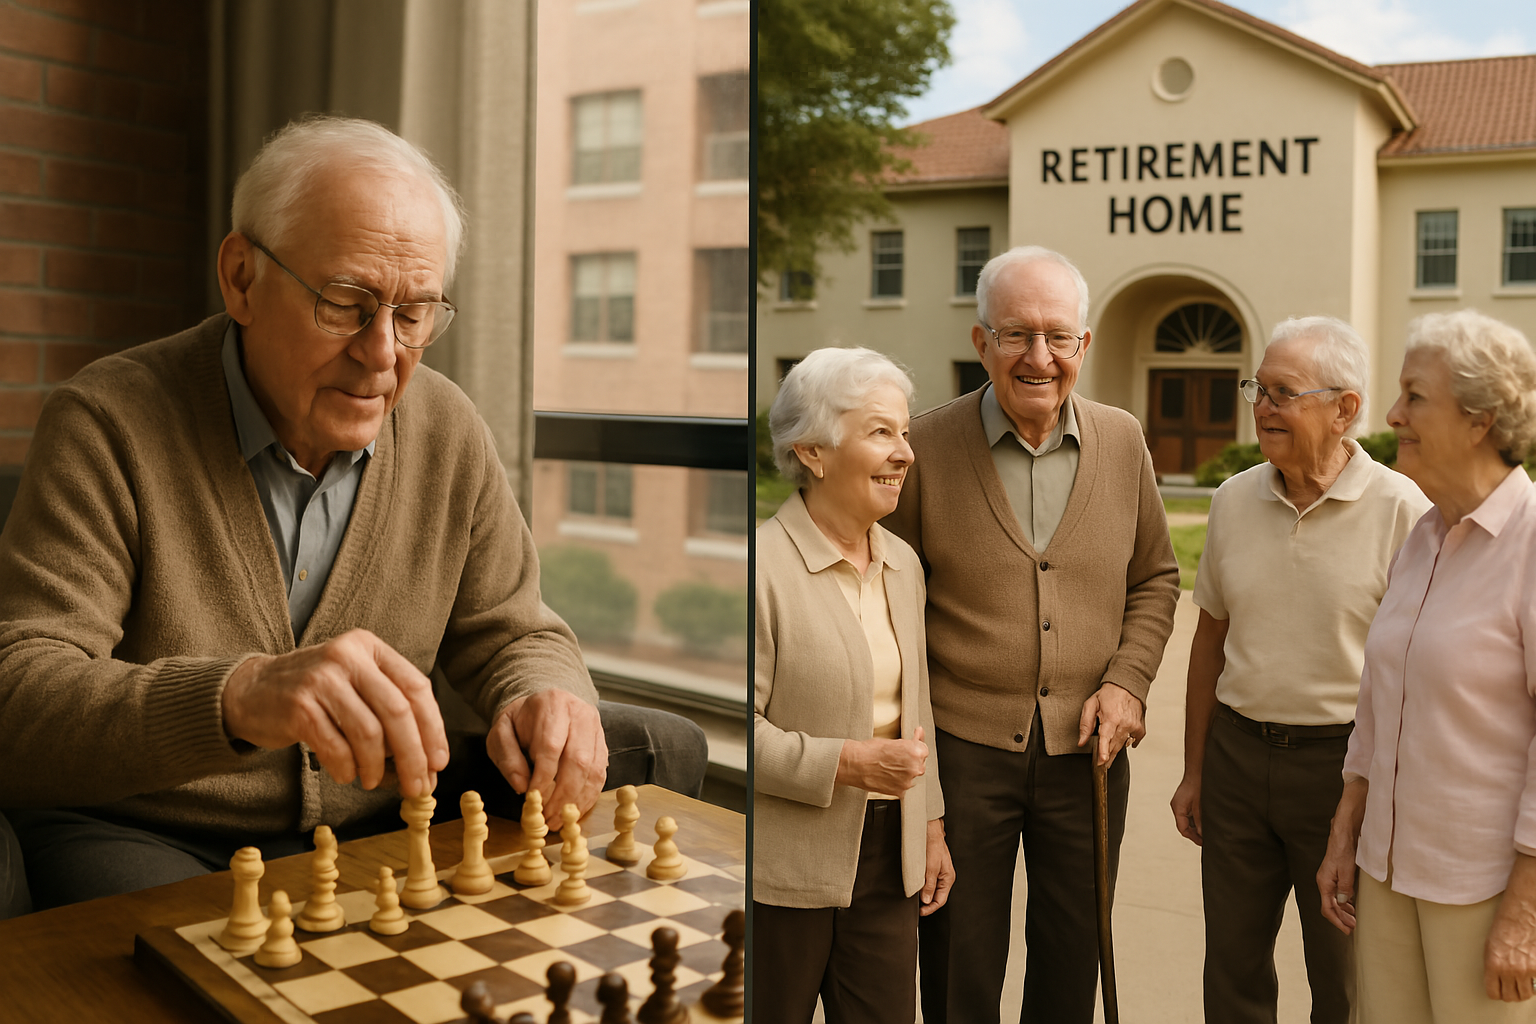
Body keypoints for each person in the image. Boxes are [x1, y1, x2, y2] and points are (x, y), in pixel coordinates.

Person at [0, 115, 706, 913]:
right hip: (151, 825)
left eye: (414, 314)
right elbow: (19, 693)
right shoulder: (106, 423)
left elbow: (516, 633)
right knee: (206, 963)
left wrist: (544, 695)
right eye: (344, 303)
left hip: (376, 814)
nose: (382, 353)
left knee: (654, 750)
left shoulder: (447, 427)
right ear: (241, 278)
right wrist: (240, 695)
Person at [883, 245, 1180, 1023]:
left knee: (1071, 963)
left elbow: (1156, 577)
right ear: (981, 342)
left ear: (1085, 344)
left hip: (1088, 757)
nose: (1039, 357)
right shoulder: (923, 449)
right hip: (962, 754)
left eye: (1058, 336)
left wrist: (1128, 683)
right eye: (1016, 335)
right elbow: (890, 618)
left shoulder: (1123, 440)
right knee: (958, 962)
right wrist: (924, 794)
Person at [1169, 317, 1429, 1023]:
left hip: (1342, 770)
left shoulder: (1404, 511)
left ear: (1345, 409)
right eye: (1259, 390)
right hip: (1236, 759)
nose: (1263, 407)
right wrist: (1195, 769)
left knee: (1343, 982)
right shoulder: (1232, 499)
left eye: (1284, 393)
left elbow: (1419, 675)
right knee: (1232, 972)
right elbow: (1209, 640)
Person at [1318, 309, 1536, 1023]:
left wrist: (1525, 913)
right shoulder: (1423, 536)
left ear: (1480, 420)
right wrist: (1346, 828)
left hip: (1483, 890)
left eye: (1415, 396)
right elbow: (1379, 701)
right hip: (1385, 874)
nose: (1392, 415)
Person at [754, 347, 953, 1024]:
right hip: (782, 873)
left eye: (905, 432)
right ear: (812, 451)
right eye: (880, 432)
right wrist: (846, 762)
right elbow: (740, 732)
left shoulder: (904, 564)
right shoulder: (759, 568)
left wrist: (930, 828)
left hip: (890, 865)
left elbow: (916, 713)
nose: (905, 453)